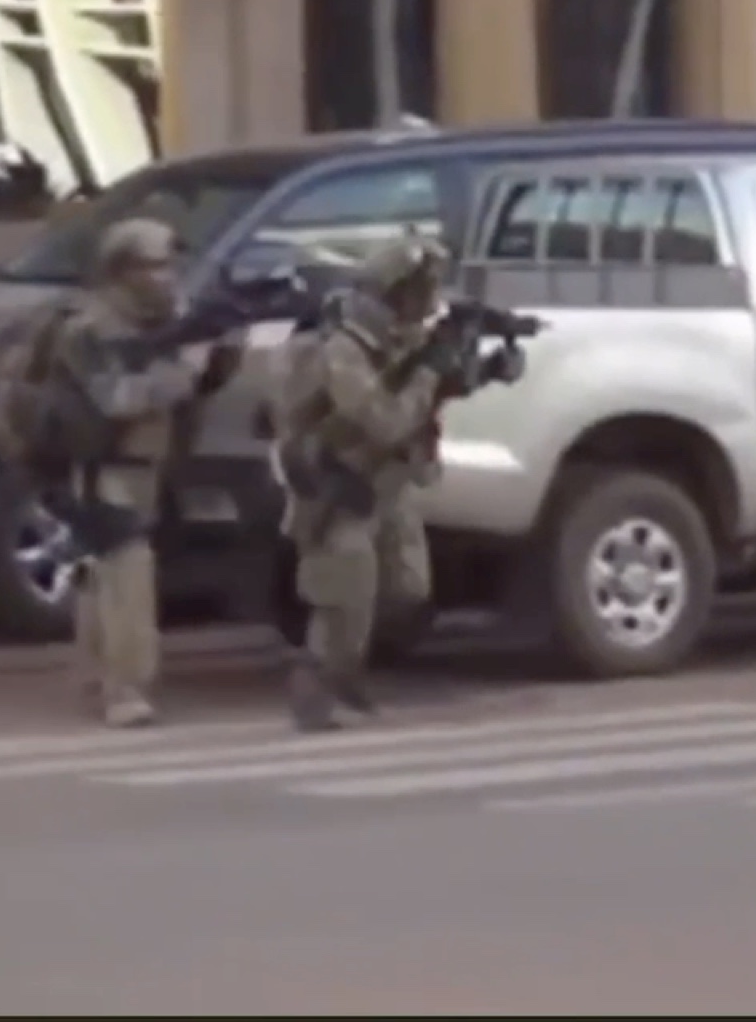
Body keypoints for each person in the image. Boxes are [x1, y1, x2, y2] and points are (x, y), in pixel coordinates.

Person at [43, 218, 241, 727]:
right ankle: (126, 690)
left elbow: (199, 388)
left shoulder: (164, 322)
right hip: (104, 466)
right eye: (154, 265)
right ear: (122, 270)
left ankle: (94, 676)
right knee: (128, 573)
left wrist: (220, 349)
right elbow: (118, 398)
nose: (169, 276)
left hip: (149, 466)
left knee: (103, 576)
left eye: (171, 265)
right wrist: (185, 368)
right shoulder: (89, 330)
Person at [270, 235, 451, 733]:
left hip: (387, 484)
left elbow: (418, 416)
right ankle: (318, 684)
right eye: (420, 291)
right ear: (394, 292)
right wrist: (428, 378)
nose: (428, 302)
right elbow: (382, 420)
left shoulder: (402, 343)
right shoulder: (344, 348)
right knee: (345, 587)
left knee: (409, 587)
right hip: (337, 486)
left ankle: (346, 667)